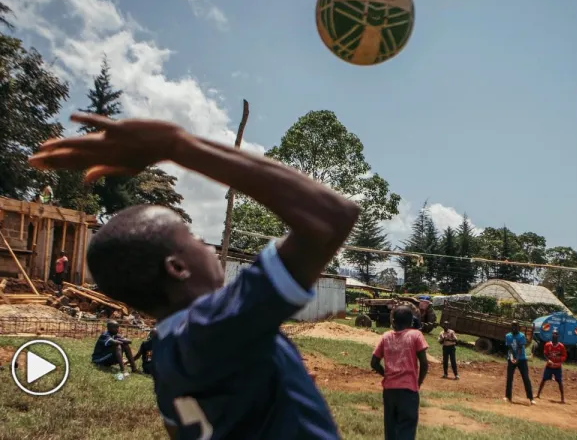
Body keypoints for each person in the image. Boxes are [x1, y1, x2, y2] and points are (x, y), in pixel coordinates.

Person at [28, 113, 360, 439]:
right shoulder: (214, 323)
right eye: (193, 238)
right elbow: (332, 216)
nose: (205, 245)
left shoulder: (166, 354)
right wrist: (176, 145)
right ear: (177, 268)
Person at [371, 305, 430, 440]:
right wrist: (418, 382)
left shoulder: (386, 336)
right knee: (406, 429)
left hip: (389, 391)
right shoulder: (416, 335)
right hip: (408, 391)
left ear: (393, 321)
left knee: (390, 428)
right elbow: (424, 364)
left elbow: (374, 363)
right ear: (411, 321)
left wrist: (386, 375)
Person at [504, 321, 535, 405]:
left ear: (518, 327)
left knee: (525, 378)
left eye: (516, 326)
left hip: (521, 359)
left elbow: (520, 348)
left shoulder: (521, 336)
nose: (514, 327)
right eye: (513, 326)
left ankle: (531, 398)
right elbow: (510, 348)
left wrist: (517, 359)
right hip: (511, 359)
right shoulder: (508, 336)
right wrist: (511, 358)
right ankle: (507, 396)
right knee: (509, 377)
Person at [536, 330, 566, 403]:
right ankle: (538, 395)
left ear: (558, 336)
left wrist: (559, 362)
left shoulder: (561, 346)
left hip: (557, 367)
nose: (554, 335)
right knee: (543, 380)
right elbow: (545, 354)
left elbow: (564, 356)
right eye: (553, 334)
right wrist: (548, 360)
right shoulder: (547, 345)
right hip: (549, 366)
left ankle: (562, 398)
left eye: (556, 334)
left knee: (559, 382)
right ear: (551, 335)